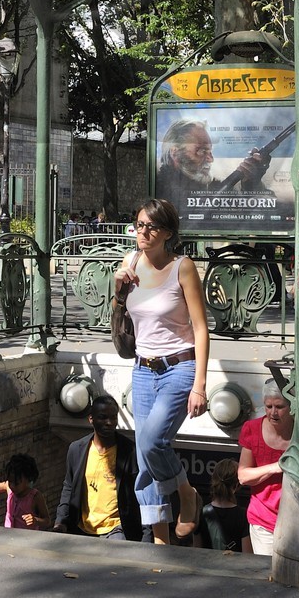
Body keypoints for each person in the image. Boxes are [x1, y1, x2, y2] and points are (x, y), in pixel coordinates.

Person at [112, 197, 208, 544]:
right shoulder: (130, 262)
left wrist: (200, 385)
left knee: (153, 442)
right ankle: (160, 542)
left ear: (168, 232)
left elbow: (201, 329)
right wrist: (118, 290)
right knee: (144, 457)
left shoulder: (183, 267)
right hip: (142, 370)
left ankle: (186, 492)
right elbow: (119, 313)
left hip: (178, 369)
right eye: (139, 225)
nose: (143, 232)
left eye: (151, 227)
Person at [53, 393, 142, 540]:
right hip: (83, 529)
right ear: (91, 419)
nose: (109, 422)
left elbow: (140, 492)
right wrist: (61, 521)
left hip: (116, 529)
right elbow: (69, 487)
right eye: (103, 417)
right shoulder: (76, 449)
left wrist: (146, 533)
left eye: (113, 417)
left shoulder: (130, 451)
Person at [156, 120, 270, 215]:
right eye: (202, 150)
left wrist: (251, 185)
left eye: (210, 151)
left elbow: (259, 217)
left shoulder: (216, 188)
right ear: (175, 153)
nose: (211, 159)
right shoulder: (158, 193)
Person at [237, 381, 294, 555]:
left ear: (292, 406)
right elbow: (243, 476)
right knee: (268, 568)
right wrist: (275, 467)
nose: (273, 413)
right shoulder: (252, 429)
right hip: (264, 519)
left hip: (297, 521)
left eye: (279, 407)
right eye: (269, 406)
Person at [0, 451, 50, 530]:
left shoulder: (35, 497)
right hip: (8, 536)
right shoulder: (8, 488)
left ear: (28, 479)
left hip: (26, 537)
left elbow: (47, 521)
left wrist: (36, 520)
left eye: (16, 483)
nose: (12, 486)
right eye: (10, 481)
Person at [196, 458, 252, 553]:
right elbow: (247, 554)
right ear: (236, 485)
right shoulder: (243, 515)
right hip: (233, 562)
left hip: (207, 561)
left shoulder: (202, 512)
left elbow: (196, 549)